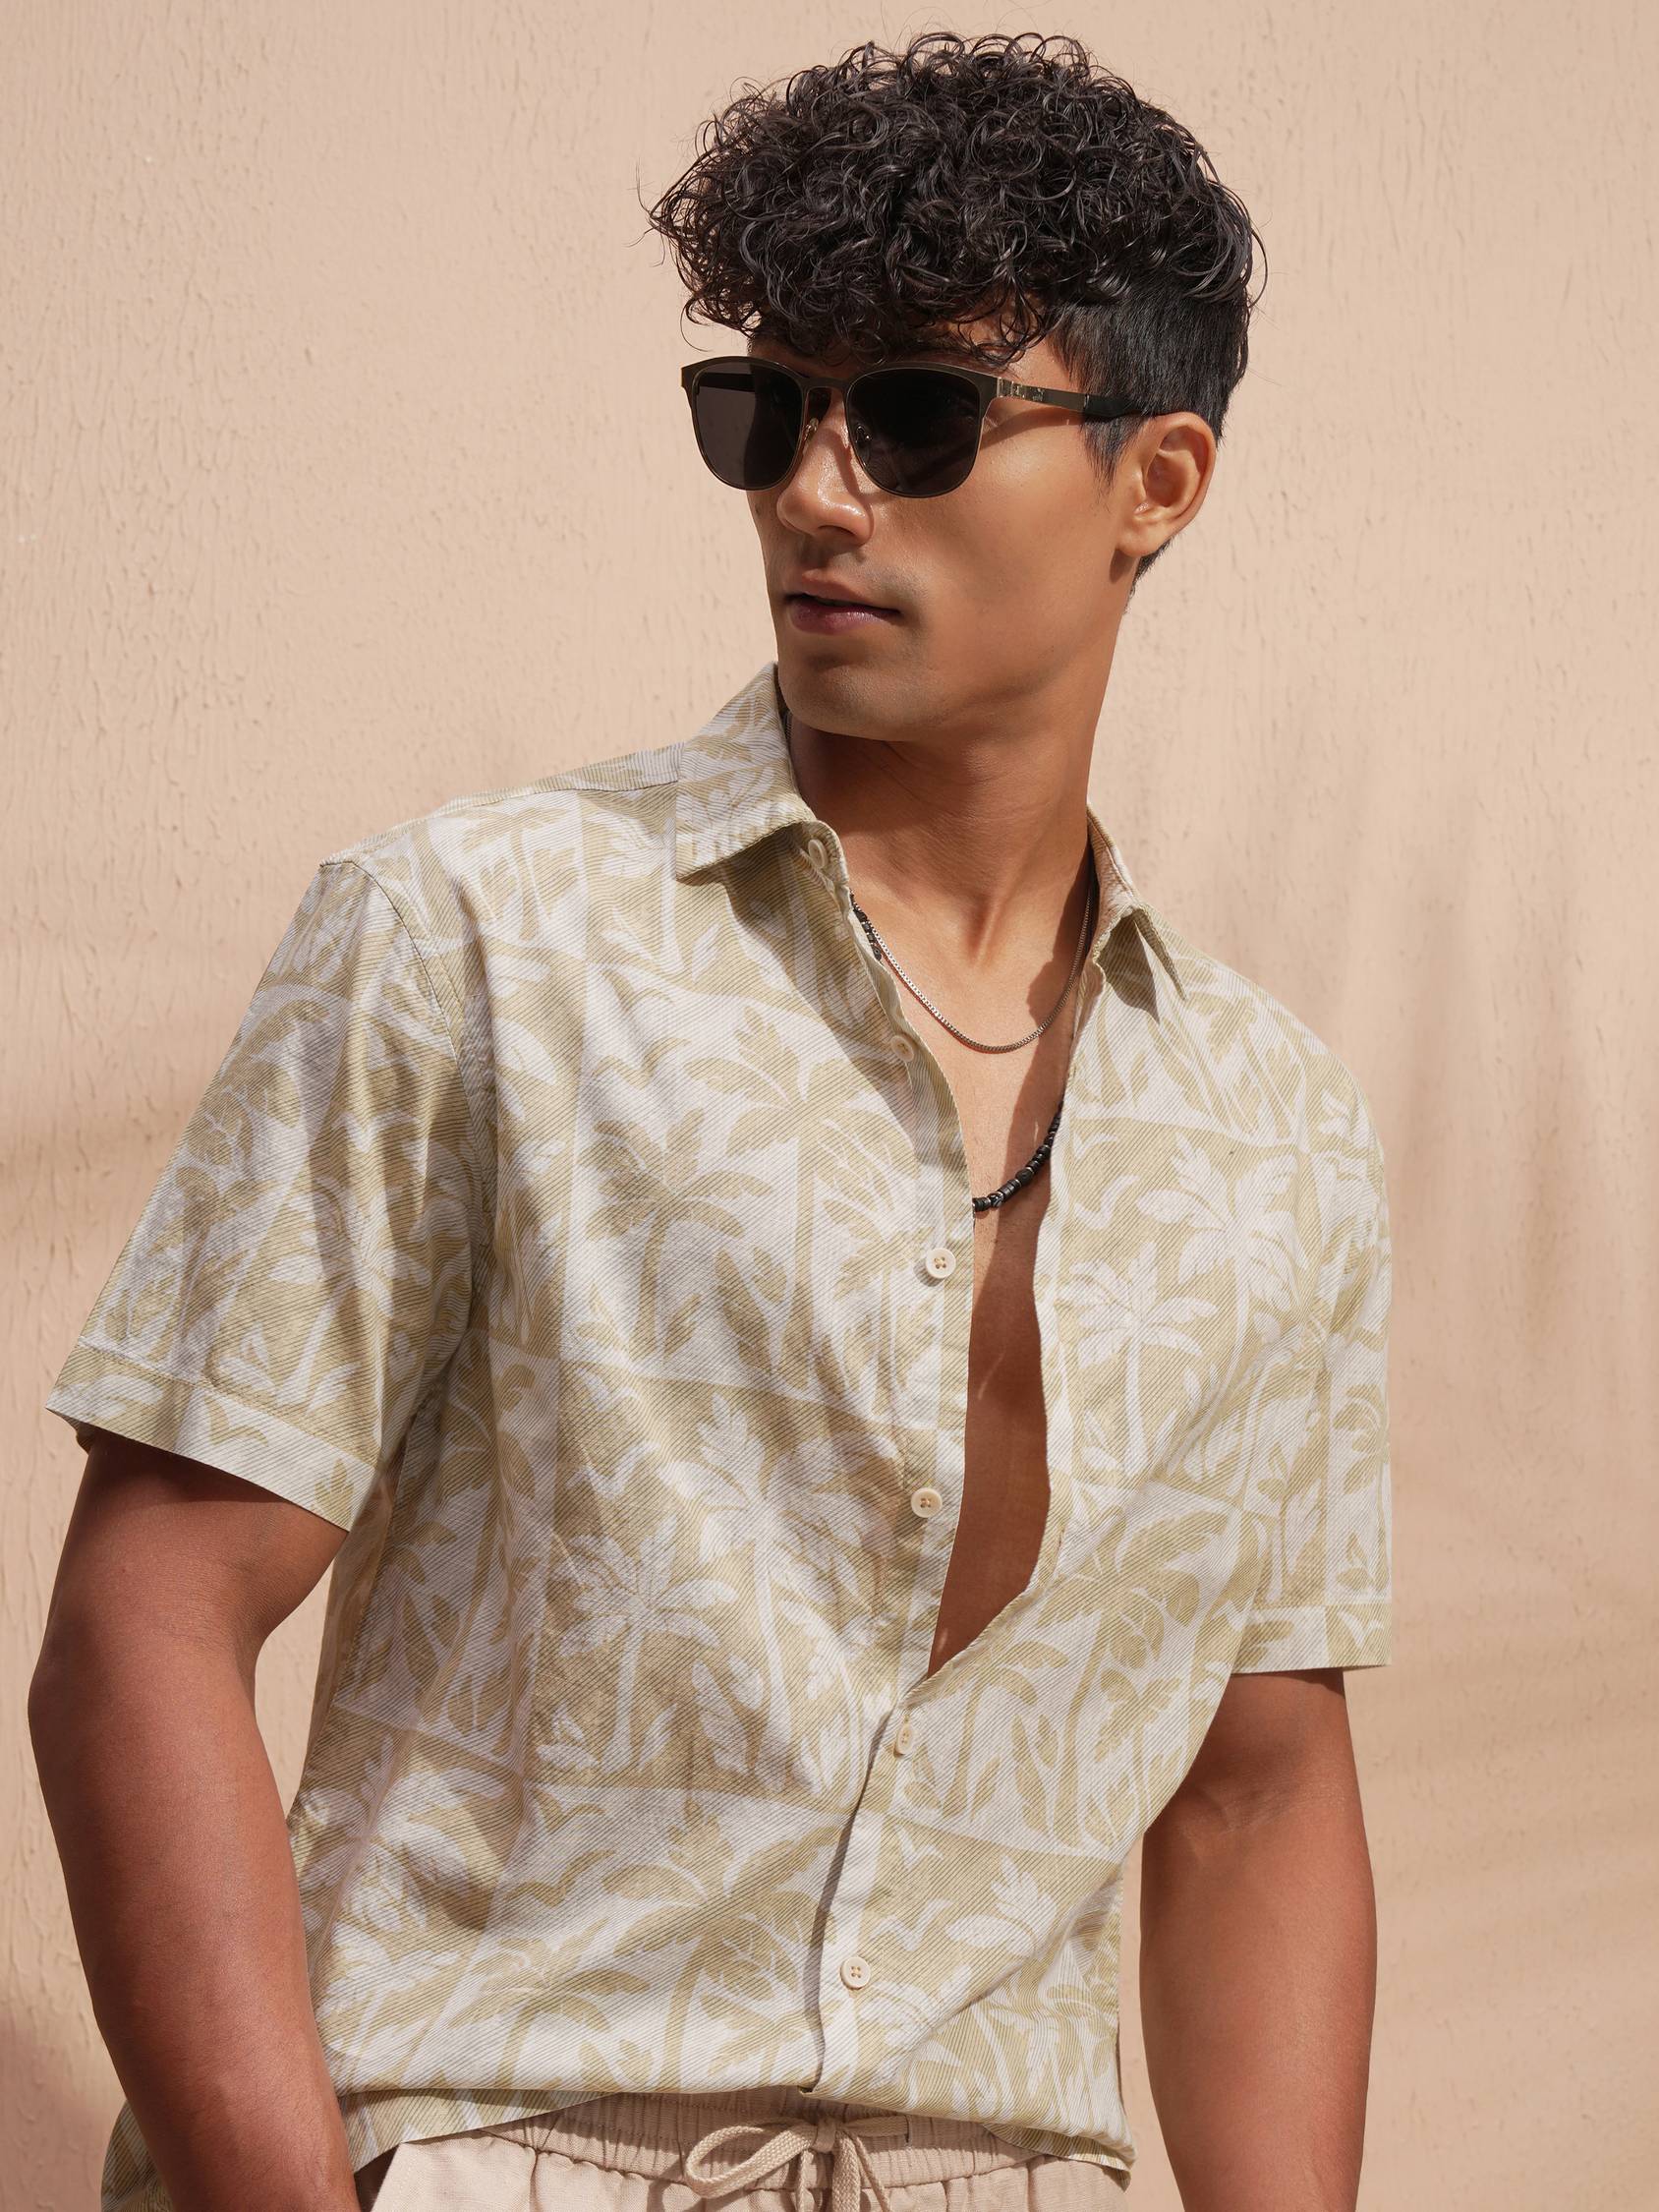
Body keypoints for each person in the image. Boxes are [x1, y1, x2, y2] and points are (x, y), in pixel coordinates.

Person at [30, 29, 1394, 2212]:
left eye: (918, 417)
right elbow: (145, 1624)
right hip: (492, 2144)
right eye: (766, 411)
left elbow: (1252, 1793)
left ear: (1157, 480)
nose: (816, 493)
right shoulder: (478, 938)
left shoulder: (1274, 1129)